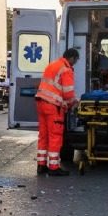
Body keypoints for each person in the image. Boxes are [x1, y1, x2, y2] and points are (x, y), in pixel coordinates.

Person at [35, 48, 80, 176]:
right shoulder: (66, 69)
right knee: (55, 135)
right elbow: (68, 93)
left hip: (41, 102)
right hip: (53, 106)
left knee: (43, 135)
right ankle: (53, 167)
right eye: (75, 60)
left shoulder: (52, 65)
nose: (75, 63)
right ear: (72, 58)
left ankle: (41, 165)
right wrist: (74, 104)